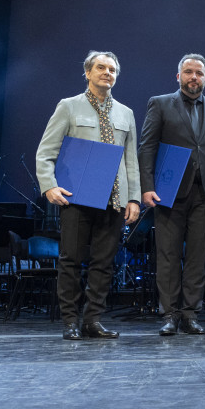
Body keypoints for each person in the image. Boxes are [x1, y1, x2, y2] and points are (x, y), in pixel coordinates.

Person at [35, 51, 141, 340]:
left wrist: (134, 198)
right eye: (101, 68)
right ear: (88, 72)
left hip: (114, 199)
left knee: (104, 263)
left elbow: (131, 160)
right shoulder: (69, 107)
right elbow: (46, 151)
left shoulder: (126, 113)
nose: (107, 73)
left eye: (112, 69)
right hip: (77, 196)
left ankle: (92, 320)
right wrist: (49, 185)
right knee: (71, 259)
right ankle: (70, 320)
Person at [138, 54, 205, 337]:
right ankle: (170, 314)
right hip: (168, 192)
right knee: (168, 255)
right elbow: (147, 147)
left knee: (198, 258)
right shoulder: (161, 103)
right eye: (188, 72)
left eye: (199, 73)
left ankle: (190, 314)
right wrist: (147, 186)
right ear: (178, 76)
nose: (193, 77)